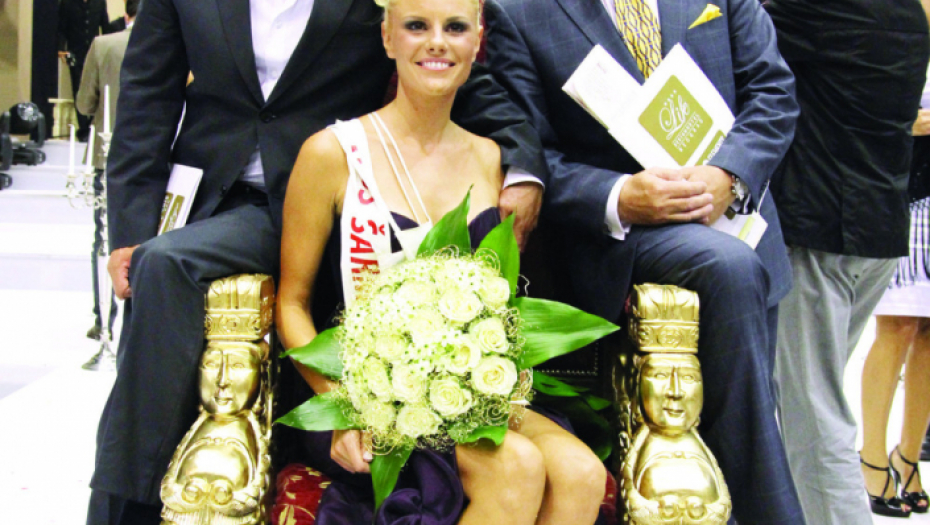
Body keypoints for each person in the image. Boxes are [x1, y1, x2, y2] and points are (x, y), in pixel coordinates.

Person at [90, 0, 547, 522]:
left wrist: (524, 168)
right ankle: (125, 500)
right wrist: (131, 233)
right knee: (154, 266)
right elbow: (146, 99)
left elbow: (444, 58)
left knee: (167, 262)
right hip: (202, 195)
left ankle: (125, 505)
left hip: (316, 193)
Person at [276, 0, 606, 522]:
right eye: (416, 26)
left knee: (582, 473)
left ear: (477, 42)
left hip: (467, 390)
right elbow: (291, 304)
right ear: (388, 38)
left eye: (454, 27)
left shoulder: (491, 159)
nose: (436, 42)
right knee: (516, 467)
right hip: (370, 397)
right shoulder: (332, 154)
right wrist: (341, 405)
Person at [482, 0, 803, 523]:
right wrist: (618, 196)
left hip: (740, 226)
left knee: (750, 405)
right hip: (625, 242)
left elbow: (773, 92)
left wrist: (730, 174)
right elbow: (528, 153)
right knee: (728, 268)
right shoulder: (521, 11)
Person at [761, 1, 930, 523]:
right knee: (803, 403)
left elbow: (729, 22)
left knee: (815, 419)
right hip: (875, 228)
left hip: (823, 230)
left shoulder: (819, 10)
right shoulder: (907, 14)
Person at [858, 104, 930, 517]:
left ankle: (908, 455)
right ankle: (871, 458)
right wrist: (902, 122)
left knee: (929, 333)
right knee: (899, 323)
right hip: (906, 188)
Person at [75, 0, 138, 341]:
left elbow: (84, 104)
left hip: (107, 153)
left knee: (104, 239)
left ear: (126, 14)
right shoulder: (179, 41)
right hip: (164, 157)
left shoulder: (103, 45)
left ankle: (103, 320)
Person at [57, 0, 111, 142]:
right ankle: (83, 128)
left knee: (97, 88)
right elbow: (61, 28)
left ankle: (93, 125)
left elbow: (105, 26)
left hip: (95, 52)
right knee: (78, 88)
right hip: (76, 53)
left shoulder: (99, 2)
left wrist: (108, 48)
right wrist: (61, 48)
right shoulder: (67, 3)